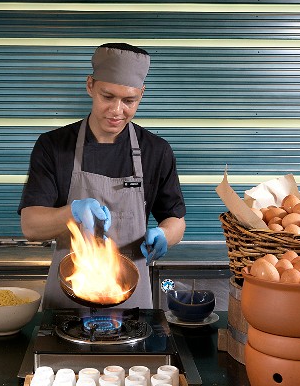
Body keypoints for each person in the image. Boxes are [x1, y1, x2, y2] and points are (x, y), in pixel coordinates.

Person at [18, 42, 186, 310]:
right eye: (108, 96)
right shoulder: (53, 146)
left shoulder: (156, 151)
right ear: (90, 86)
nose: (117, 110)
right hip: (70, 293)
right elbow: (30, 226)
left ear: (141, 94)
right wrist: (72, 213)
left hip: (130, 297)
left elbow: (176, 219)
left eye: (129, 100)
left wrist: (166, 233)